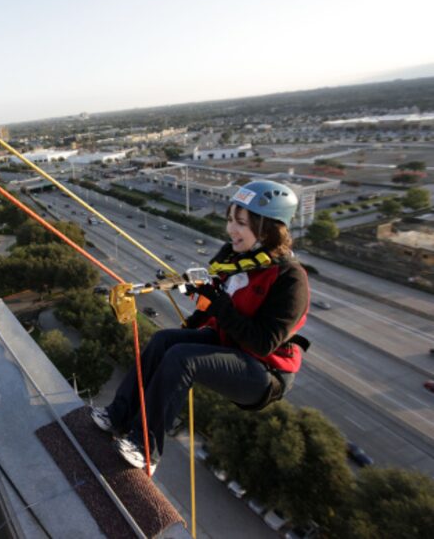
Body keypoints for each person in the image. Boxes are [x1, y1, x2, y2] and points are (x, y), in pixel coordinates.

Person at [92, 180, 310, 472]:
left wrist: (219, 304)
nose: (231, 229)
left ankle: (146, 449)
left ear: (269, 228)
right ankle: (119, 416)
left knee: (182, 359)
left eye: (241, 223)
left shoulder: (290, 279)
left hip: (264, 372)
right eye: (230, 220)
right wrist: (190, 328)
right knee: (163, 342)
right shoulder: (232, 257)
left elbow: (263, 342)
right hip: (228, 342)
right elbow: (210, 306)